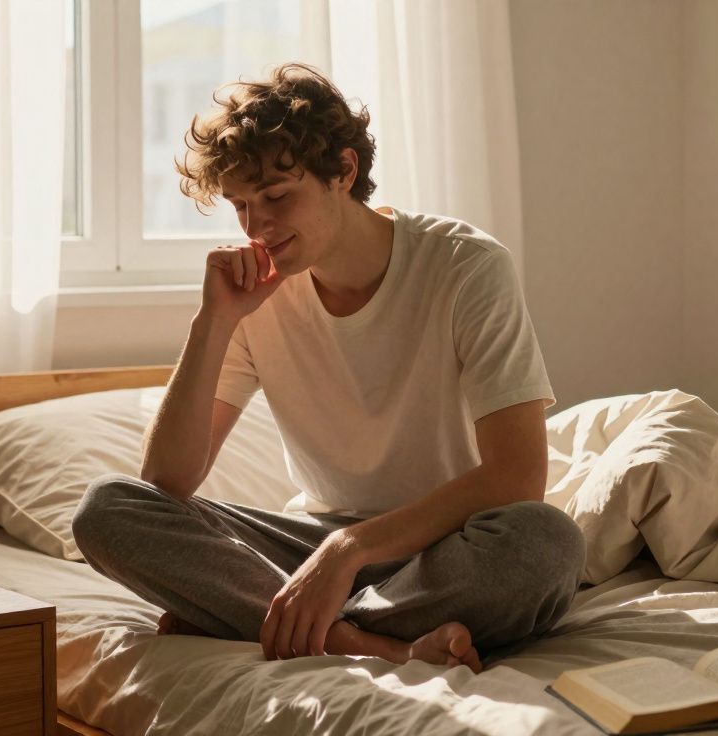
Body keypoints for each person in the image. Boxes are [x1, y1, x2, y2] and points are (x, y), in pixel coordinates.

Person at [72, 62, 584, 672]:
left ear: (344, 171)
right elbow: (167, 481)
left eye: (277, 197)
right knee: (109, 508)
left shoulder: (465, 265)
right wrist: (214, 322)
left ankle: (250, 616)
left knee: (545, 544)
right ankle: (371, 645)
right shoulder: (258, 294)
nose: (256, 226)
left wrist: (347, 551)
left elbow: (517, 475)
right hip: (303, 552)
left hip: (446, 546)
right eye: (239, 206)